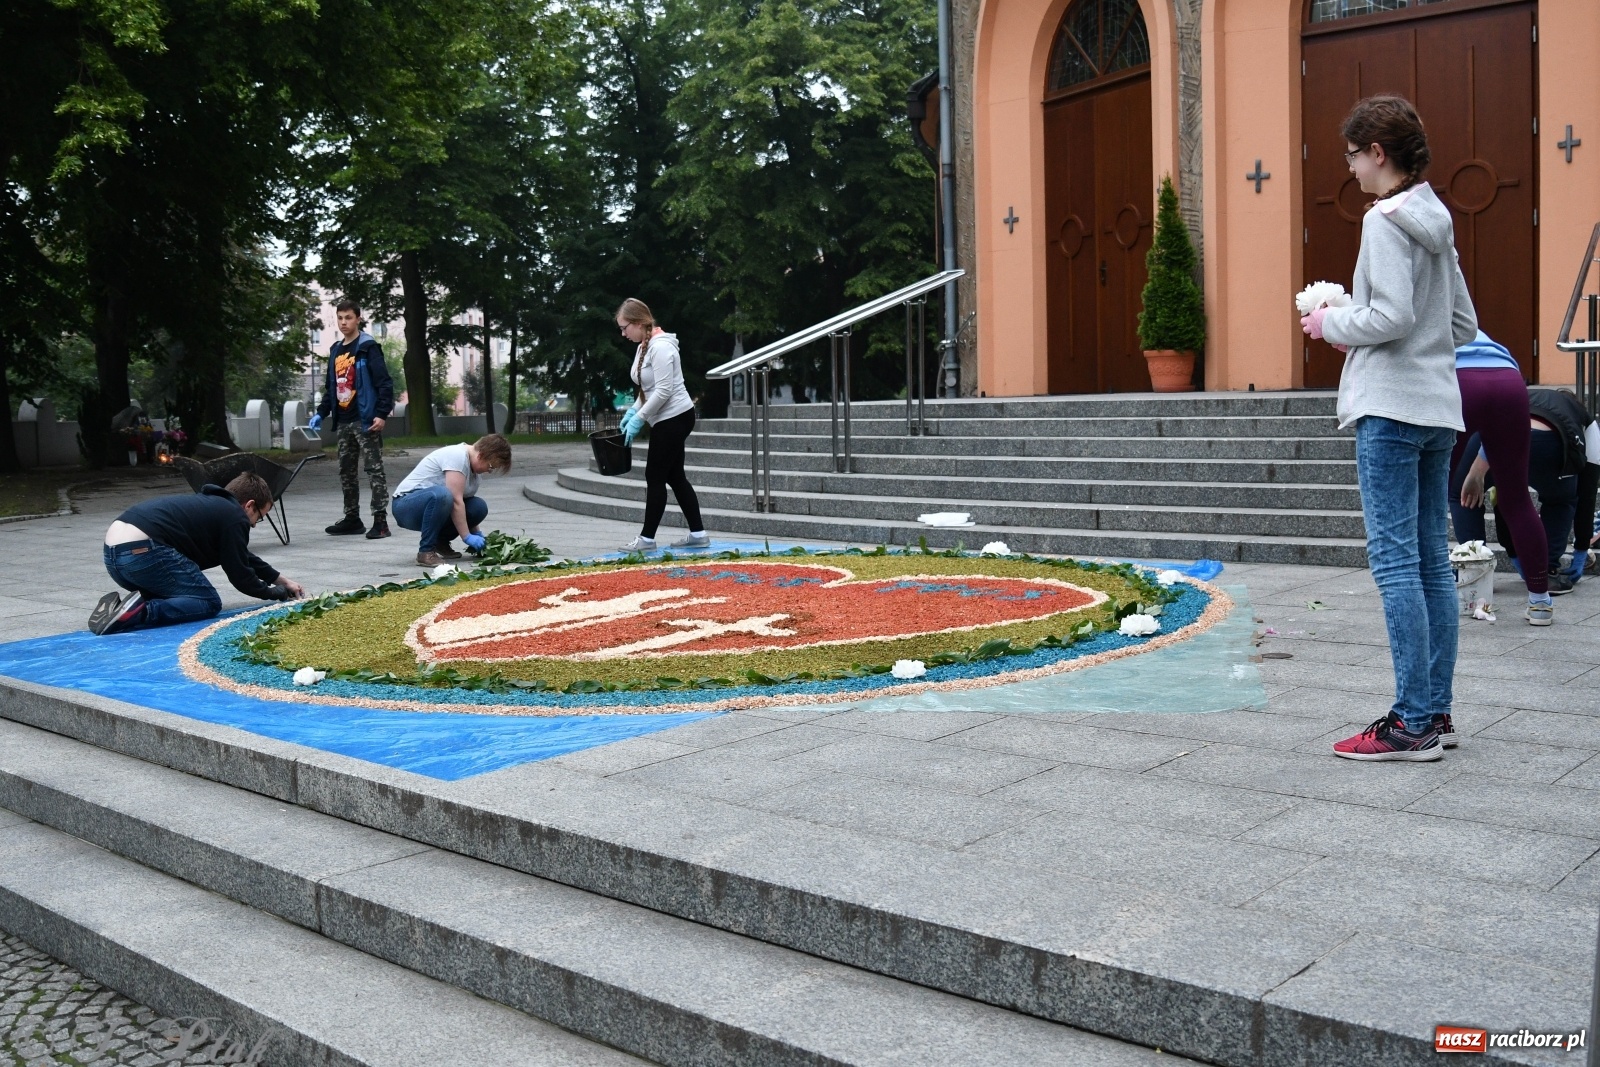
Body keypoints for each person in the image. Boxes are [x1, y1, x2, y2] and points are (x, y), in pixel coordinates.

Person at [1301, 95, 1477, 762]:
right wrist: (1379, 326)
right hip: (1438, 407)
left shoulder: (1383, 220)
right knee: (1433, 561)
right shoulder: (1435, 219)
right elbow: (1460, 324)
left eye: (1353, 154)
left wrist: (1332, 325)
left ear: (1379, 153)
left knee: (1397, 561)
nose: (1349, 168)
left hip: (1391, 409)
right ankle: (1436, 711)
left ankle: (1409, 722)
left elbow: (1393, 317)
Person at [88, 473, 305, 635]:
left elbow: (241, 555)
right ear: (249, 505)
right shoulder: (234, 516)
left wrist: (281, 580)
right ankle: (139, 612)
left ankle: (121, 608)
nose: (255, 525)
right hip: (144, 553)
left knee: (180, 596)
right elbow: (241, 576)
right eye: (260, 516)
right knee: (207, 601)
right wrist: (275, 593)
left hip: (115, 557)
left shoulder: (213, 507)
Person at [1444, 331, 1552, 619]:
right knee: (1517, 501)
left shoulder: (1419, 309)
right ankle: (1541, 601)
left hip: (1458, 380)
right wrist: (1480, 467)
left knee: (1433, 494)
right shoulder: (1475, 328)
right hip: (1509, 381)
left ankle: (1436, 594)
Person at [1454, 384, 1600, 594]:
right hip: (1553, 441)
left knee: (1464, 495)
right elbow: (1586, 492)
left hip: (1493, 437)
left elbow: (1502, 501)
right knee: (1562, 500)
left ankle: (1475, 569)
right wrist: (1581, 548)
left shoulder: (1525, 393)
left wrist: (1513, 552)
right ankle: (1547, 572)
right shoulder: (1585, 419)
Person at [614, 298, 710, 552]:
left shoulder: (662, 348)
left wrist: (640, 418)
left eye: (625, 327)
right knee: (675, 476)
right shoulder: (643, 346)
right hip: (665, 418)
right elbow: (648, 388)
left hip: (675, 417)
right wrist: (633, 411)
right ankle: (698, 534)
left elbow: (665, 390)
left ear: (638, 323)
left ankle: (646, 539)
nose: (623, 333)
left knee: (654, 476)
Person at [311, 299, 394, 539]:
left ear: (358, 318)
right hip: (344, 421)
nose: (344, 322)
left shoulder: (368, 347)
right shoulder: (336, 350)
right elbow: (331, 387)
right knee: (346, 471)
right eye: (340, 318)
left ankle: (380, 521)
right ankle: (352, 518)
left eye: (348, 317)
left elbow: (384, 382)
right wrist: (321, 412)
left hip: (365, 419)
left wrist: (381, 413)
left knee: (374, 469)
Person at [390, 434, 513, 566]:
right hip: (406, 506)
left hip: (434, 505)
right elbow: (456, 501)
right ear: (480, 455)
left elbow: (464, 505)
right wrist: (467, 537)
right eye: (490, 466)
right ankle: (426, 551)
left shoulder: (474, 472)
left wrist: (477, 533)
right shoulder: (457, 457)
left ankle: (440, 541)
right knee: (442, 495)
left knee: (478, 506)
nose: (489, 471)